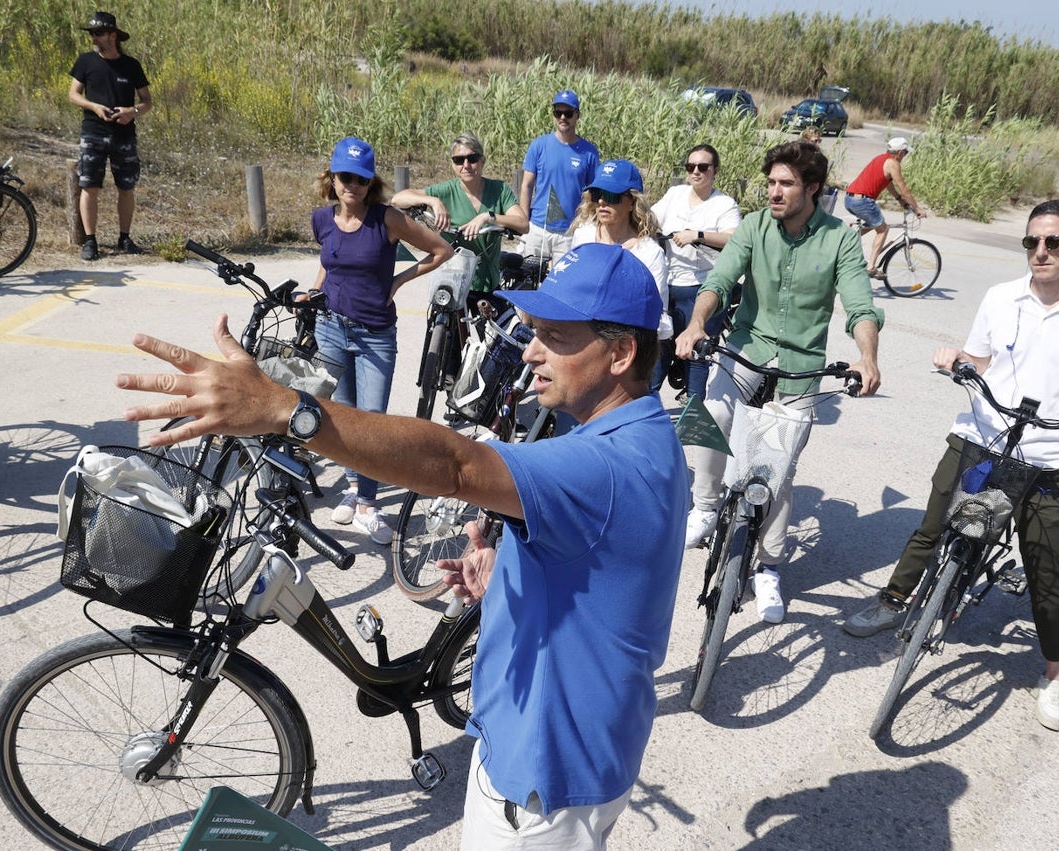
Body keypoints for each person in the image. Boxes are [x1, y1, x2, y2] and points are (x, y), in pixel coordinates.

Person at [116, 241, 688, 849]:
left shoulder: (597, 466)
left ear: (622, 351)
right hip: (589, 750)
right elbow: (607, 568)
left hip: (541, 780)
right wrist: (511, 576)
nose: (532, 349)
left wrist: (285, 410)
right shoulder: (647, 436)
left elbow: (455, 463)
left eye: (556, 335)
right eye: (533, 329)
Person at [843, 199, 1059, 732]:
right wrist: (955, 359)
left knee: (1045, 572)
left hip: (1046, 459)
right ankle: (893, 600)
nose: (1041, 251)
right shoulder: (1001, 297)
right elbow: (980, 360)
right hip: (981, 436)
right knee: (933, 526)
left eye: (1053, 242)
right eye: (1032, 241)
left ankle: (1054, 677)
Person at [674, 140, 883, 624]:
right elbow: (719, 282)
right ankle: (705, 507)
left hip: (802, 363)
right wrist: (696, 324)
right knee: (713, 412)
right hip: (747, 347)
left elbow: (859, 307)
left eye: (785, 183)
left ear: (811, 188)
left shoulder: (840, 239)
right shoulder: (753, 226)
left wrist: (867, 357)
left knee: (777, 464)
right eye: (770, 182)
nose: (774, 191)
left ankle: (768, 566)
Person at [309, 136, 452, 544]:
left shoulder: (386, 219)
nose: (351, 184)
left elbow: (442, 249)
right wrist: (312, 292)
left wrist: (399, 280)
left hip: (374, 335)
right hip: (331, 328)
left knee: (372, 423)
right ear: (332, 177)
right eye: (345, 176)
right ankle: (355, 490)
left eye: (360, 178)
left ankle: (370, 506)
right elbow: (327, 266)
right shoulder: (322, 219)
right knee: (341, 419)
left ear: (371, 183)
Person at [389, 132, 528, 300]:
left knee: (504, 323)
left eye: (473, 158)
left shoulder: (499, 190)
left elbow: (522, 224)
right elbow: (397, 199)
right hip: (451, 278)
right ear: (453, 164)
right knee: (440, 322)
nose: (466, 165)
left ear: (482, 161)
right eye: (459, 160)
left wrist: (487, 217)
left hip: (487, 282)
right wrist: (433, 201)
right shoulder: (446, 191)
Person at [651, 144, 741, 399]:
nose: (696, 172)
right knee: (659, 346)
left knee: (695, 352)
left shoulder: (724, 205)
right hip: (668, 285)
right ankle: (647, 407)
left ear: (715, 170)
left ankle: (694, 410)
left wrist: (698, 236)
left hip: (701, 286)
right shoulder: (675, 194)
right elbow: (649, 219)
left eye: (703, 167)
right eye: (691, 166)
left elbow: (734, 239)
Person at [570, 158, 669, 389]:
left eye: (612, 196)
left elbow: (658, 317)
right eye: (597, 194)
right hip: (581, 349)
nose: (602, 201)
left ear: (632, 202)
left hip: (623, 356)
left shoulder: (649, 253)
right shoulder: (582, 237)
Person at [68, 11, 152, 261]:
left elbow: (147, 101)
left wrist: (132, 111)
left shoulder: (131, 65)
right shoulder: (85, 61)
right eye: (92, 33)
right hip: (93, 132)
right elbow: (73, 94)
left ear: (113, 36)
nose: (94, 37)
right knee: (89, 186)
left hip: (124, 135)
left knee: (126, 188)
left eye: (98, 33)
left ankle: (124, 238)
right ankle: (91, 241)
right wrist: (93, 106)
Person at [519, 89, 600, 266]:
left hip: (570, 232)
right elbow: (526, 185)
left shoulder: (589, 153)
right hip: (539, 228)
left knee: (560, 288)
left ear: (577, 115)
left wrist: (587, 224)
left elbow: (594, 194)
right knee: (527, 284)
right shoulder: (539, 145)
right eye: (558, 113)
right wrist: (524, 219)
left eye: (568, 113)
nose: (563, 117)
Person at [843, 136, 925, 277]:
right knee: (883, 229)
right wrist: (917, 208)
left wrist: (899, 199)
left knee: (873, 224)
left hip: (850, 198)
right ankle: (871, 267)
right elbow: (904, 188)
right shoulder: (893, 163)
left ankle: (846, 238)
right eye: (905, 153)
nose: (905, 156)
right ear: (899, 152)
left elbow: (887, 182)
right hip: (863, 201)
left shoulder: (880, 158)